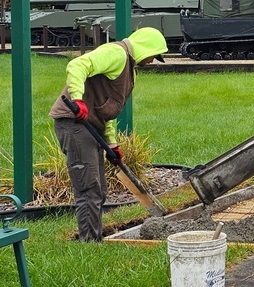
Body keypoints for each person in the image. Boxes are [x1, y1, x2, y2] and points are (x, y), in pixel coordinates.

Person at [48, 27, 168, 241]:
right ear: (145, 47)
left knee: (99, 190)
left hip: (92, 127)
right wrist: (78, 99)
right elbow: (77, 65)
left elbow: (108, 108)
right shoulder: (117, 53)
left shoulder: (129, 69)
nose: (152, 61)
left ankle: (95, 239)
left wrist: (112, 144)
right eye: (153, 55)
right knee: (88, 187)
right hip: (74, 124)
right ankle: (89, 246)